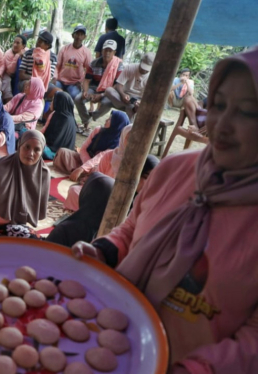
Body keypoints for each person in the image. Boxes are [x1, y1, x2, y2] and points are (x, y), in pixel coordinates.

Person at [73, 49, 258, 373]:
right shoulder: (174, 170)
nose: (222, 124)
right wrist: (103, 251)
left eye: (246, 112)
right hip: (106, 345)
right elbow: (132, 230)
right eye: (218, 105)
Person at [54, 110, 130, 175]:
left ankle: (82, 174)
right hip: (84, 160)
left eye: (110, 119)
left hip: (96, 165)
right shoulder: (98, 130)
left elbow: (100, 157)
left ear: (117, 124)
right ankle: (83, 175)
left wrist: (84, 168)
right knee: (62, 152)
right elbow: (84, 149)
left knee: (96, 171)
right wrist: (84, 166)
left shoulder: (117, 143)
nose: (106, 120)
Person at [74, 39, 124, 135]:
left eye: (110, 51)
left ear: (114, 52)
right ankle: (86, 120)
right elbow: (87, 80)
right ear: (102, 51)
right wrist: (85, 91)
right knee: (78, 98)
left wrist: (101, 95)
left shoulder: (119, 65)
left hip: (109, 91)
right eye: (106, 50)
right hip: (94, 87)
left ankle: (94, 115)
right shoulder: (93, 63)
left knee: (107, 103)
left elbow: (117, 85)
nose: (107, 53)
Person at [94, 52, 155, 122]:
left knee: (125, 106)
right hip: (124, 96)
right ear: (141, 62)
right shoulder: (130, 67)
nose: (144, 70)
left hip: (138, 100)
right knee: (109, 90)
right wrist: (123, 94)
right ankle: (130, 106)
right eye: (143, 67)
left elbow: (150, 96)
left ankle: (128, 128)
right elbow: (119, 85)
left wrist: (140, 102)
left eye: (146, 69)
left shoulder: (153, 76)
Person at [55, 24, 92, 101]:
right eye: (77, 34)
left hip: (74, 83)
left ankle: (67, 112)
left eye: (81, 34)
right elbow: (57, 66)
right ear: (73, 35)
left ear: (84, 37)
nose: (79, 37)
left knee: (72, 97)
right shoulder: (64, 49)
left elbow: (88, 70)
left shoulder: (86, 52)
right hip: (61, 81)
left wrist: (81, 83)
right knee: (52, 93)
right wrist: (55, 78)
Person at [42, 91, 77, 160]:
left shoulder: (64, 120)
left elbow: (54, 142)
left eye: (53, 100)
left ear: (59, 103)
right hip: (50, 147)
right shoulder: (57, 115)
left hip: (57, 153)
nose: (51, 103)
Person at [0, 35, 27, 102]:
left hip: (21, 76)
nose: (15, 45)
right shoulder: (8, 53)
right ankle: (10, 102)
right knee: (6, 82)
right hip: (8, 74)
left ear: (23, 46)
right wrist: (17, 56)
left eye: (18, 43)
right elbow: (10, 69)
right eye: (14, 42)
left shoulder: (27, 52)